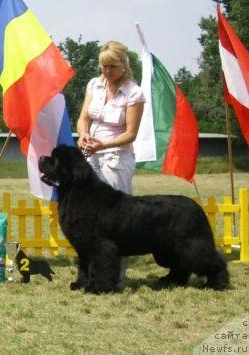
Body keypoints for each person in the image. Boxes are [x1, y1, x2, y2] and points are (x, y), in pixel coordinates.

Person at [76, 41, 145, 290]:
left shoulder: (134, 93)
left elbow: (131, 133)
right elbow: (83, 118)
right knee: (89, 218)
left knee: (117, 220)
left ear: (124, 65)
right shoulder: (94, 84)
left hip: (116, 158)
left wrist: (102, 145)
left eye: (112, 67)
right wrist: (83, 135)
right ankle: (91, 275)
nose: (106, 71)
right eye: (103, 66)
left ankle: (116, 278)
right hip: (90, 156)